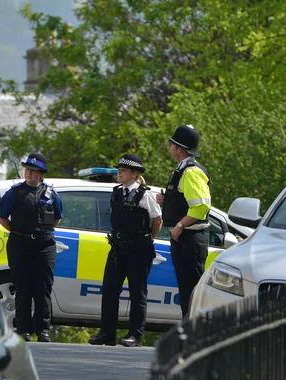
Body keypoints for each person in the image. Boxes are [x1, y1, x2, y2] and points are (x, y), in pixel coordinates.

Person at [89, 154, 163, 347]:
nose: (119, 173)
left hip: (139, 248)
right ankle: (107, 334)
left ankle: (135, 335)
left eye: (123, 170)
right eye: (119, 169)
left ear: (135, 173)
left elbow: (157, 220)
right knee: (110, 290)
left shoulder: (144, 195)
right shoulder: (117, 192)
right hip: (117, 248)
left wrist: (148, 238)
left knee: (137, 293)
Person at [0, 153, 63, 343]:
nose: (29, 174)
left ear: (41, 174)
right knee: (23, 287)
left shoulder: (51, 194)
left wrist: (40, 232)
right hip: (20, 245)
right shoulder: (15, 193)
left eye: (33, 171)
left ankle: (43, 330)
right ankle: (23, 329)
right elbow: (1, 218)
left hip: (44, 246)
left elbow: (57, 218)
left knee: (43, 289)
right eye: (27, 170)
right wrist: (18, 231)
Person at [156, 125, 211, 319]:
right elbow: (185, 200)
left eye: (171, 145)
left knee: (193, 290)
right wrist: (166, 200)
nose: (170, 148)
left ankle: (195, 335)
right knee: (187, 289)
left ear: (179, 149)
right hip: (185, 238)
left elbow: (201, 206)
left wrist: (180, 226)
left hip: (190, 237)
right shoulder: (182, 171)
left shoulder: (191, 172)